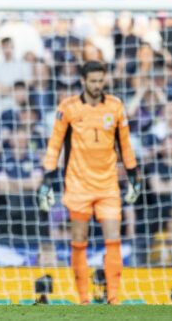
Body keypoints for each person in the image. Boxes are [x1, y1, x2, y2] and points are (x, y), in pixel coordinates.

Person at [37, 61, 141, 305]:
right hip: (78, 185)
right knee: (79, 239)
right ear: (83, 81)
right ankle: (84, 299)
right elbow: (55, 145)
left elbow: (125, 144)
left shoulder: (115, 106)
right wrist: (47, 179)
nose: (97, 85)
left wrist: (134, 175)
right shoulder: (69, 108)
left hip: (108, 185)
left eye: (100, 80)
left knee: (113, 237)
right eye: (93, 81)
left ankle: (113, 297)